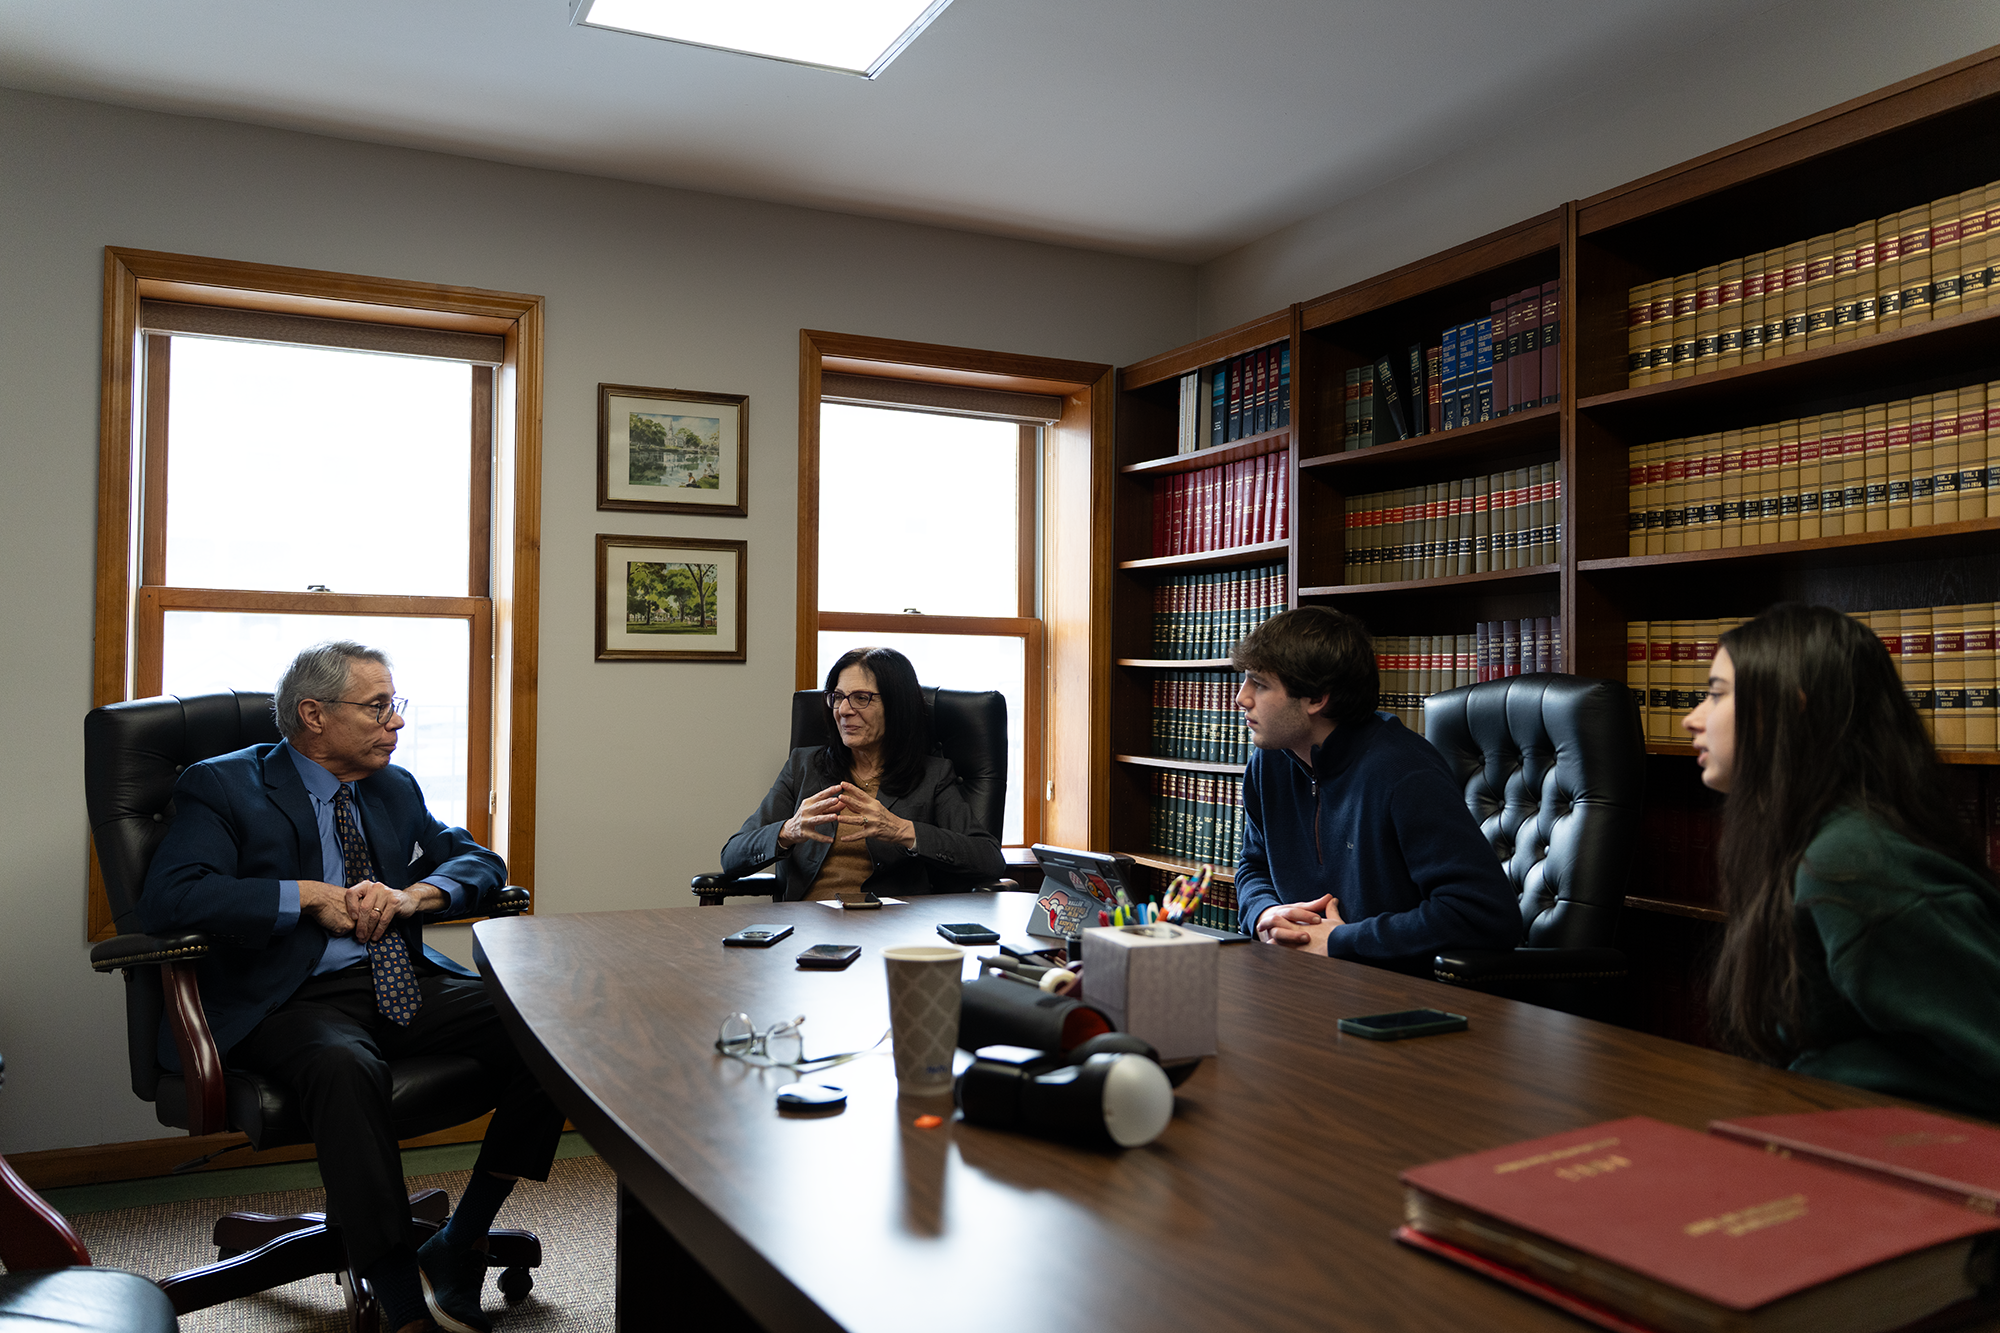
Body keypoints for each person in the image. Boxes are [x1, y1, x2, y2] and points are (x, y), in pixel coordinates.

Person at [139, 641, 564, 1333]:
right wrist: (306, 895)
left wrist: (415, 894)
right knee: (345, 1066)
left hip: (398, 981)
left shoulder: (391, 785)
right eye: (377, 706)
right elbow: (172, 898)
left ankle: (460, 1241)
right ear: (313, 713)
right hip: (287, 994)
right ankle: (402, 1301)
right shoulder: (222, 785)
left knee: (546, 1019)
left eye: (395, 705)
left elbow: (479, 860)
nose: (395, 722)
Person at [1683, 602, 2000, 1118]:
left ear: (1794, 707)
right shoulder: (1808, 842)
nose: (1691, 719)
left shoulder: (1854, 865)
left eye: (1717, 694)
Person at [1230, 606, 1520, 970]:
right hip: (1306, 980)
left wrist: (1341, 941)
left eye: (1260, 683)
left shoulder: (1405, 771)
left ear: (1317, 698)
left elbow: (1482, 914)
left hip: (1401, 1000)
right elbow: (1255, 865)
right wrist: (1265, 913)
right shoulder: (1269, 761)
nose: (1241, 697)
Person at [721, 646, 1004, 898]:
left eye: (861, 698)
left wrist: (903, 830)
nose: (843, 710)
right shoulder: (804, 766)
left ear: (896, 707)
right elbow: (732, 856)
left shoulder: (932, 775)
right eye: (838, 697)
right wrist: (787, 831)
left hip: (889, 929)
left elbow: (988, 859)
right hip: (804, 925)